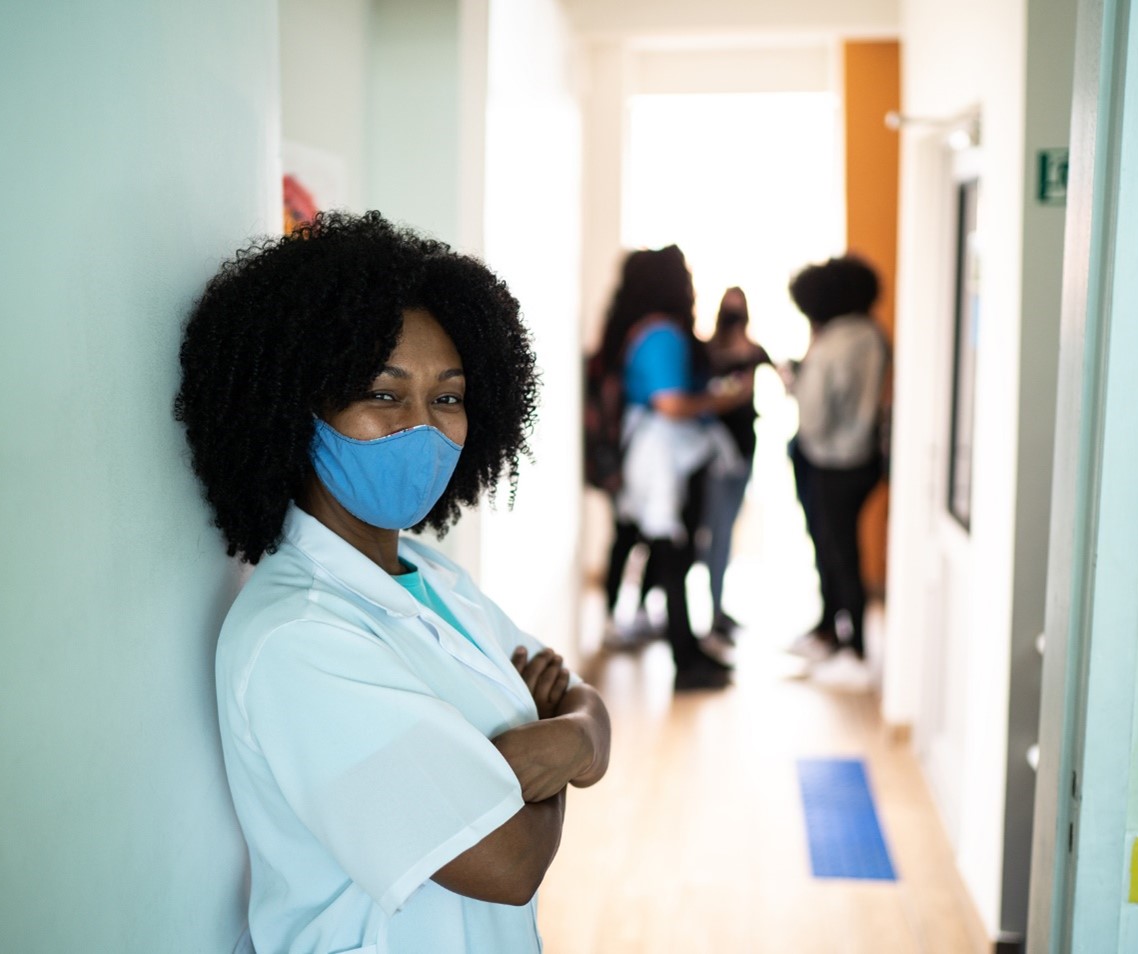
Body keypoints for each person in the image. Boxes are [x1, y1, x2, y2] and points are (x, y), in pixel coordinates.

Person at [174, 211, 611, 954]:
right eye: (383, 394)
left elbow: (581, 703)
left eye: (448, 397)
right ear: (295, 408)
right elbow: (508, 862)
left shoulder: (431, 574)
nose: (424, 426)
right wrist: (563, 751)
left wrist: (562, 741)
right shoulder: (297, 638)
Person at [593, 245, 751, 690]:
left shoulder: (640, 331)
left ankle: (688, 650)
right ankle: (686, 657)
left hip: (655, 459)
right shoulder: (662, 334)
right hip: (662, 462)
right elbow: (670, 402)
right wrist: (722, 399)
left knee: (668, 553)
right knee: (673, 553)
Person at [779, 255, 889, 682]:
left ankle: (853, 648)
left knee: (836, 552)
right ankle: (835, 635)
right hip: (864, 459)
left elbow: (814, 419)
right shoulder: (874, 336)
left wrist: (797, 383)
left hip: (828, 461)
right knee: (845, 550)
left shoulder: (830, 346)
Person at [700, 287, 773, 639]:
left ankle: (718, 608)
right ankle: (710, 611)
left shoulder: (754, 352)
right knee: (713, 532)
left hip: (744, 452)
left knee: (726, 532)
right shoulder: (708, 353)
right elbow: (710, 401)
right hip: (715, 457)